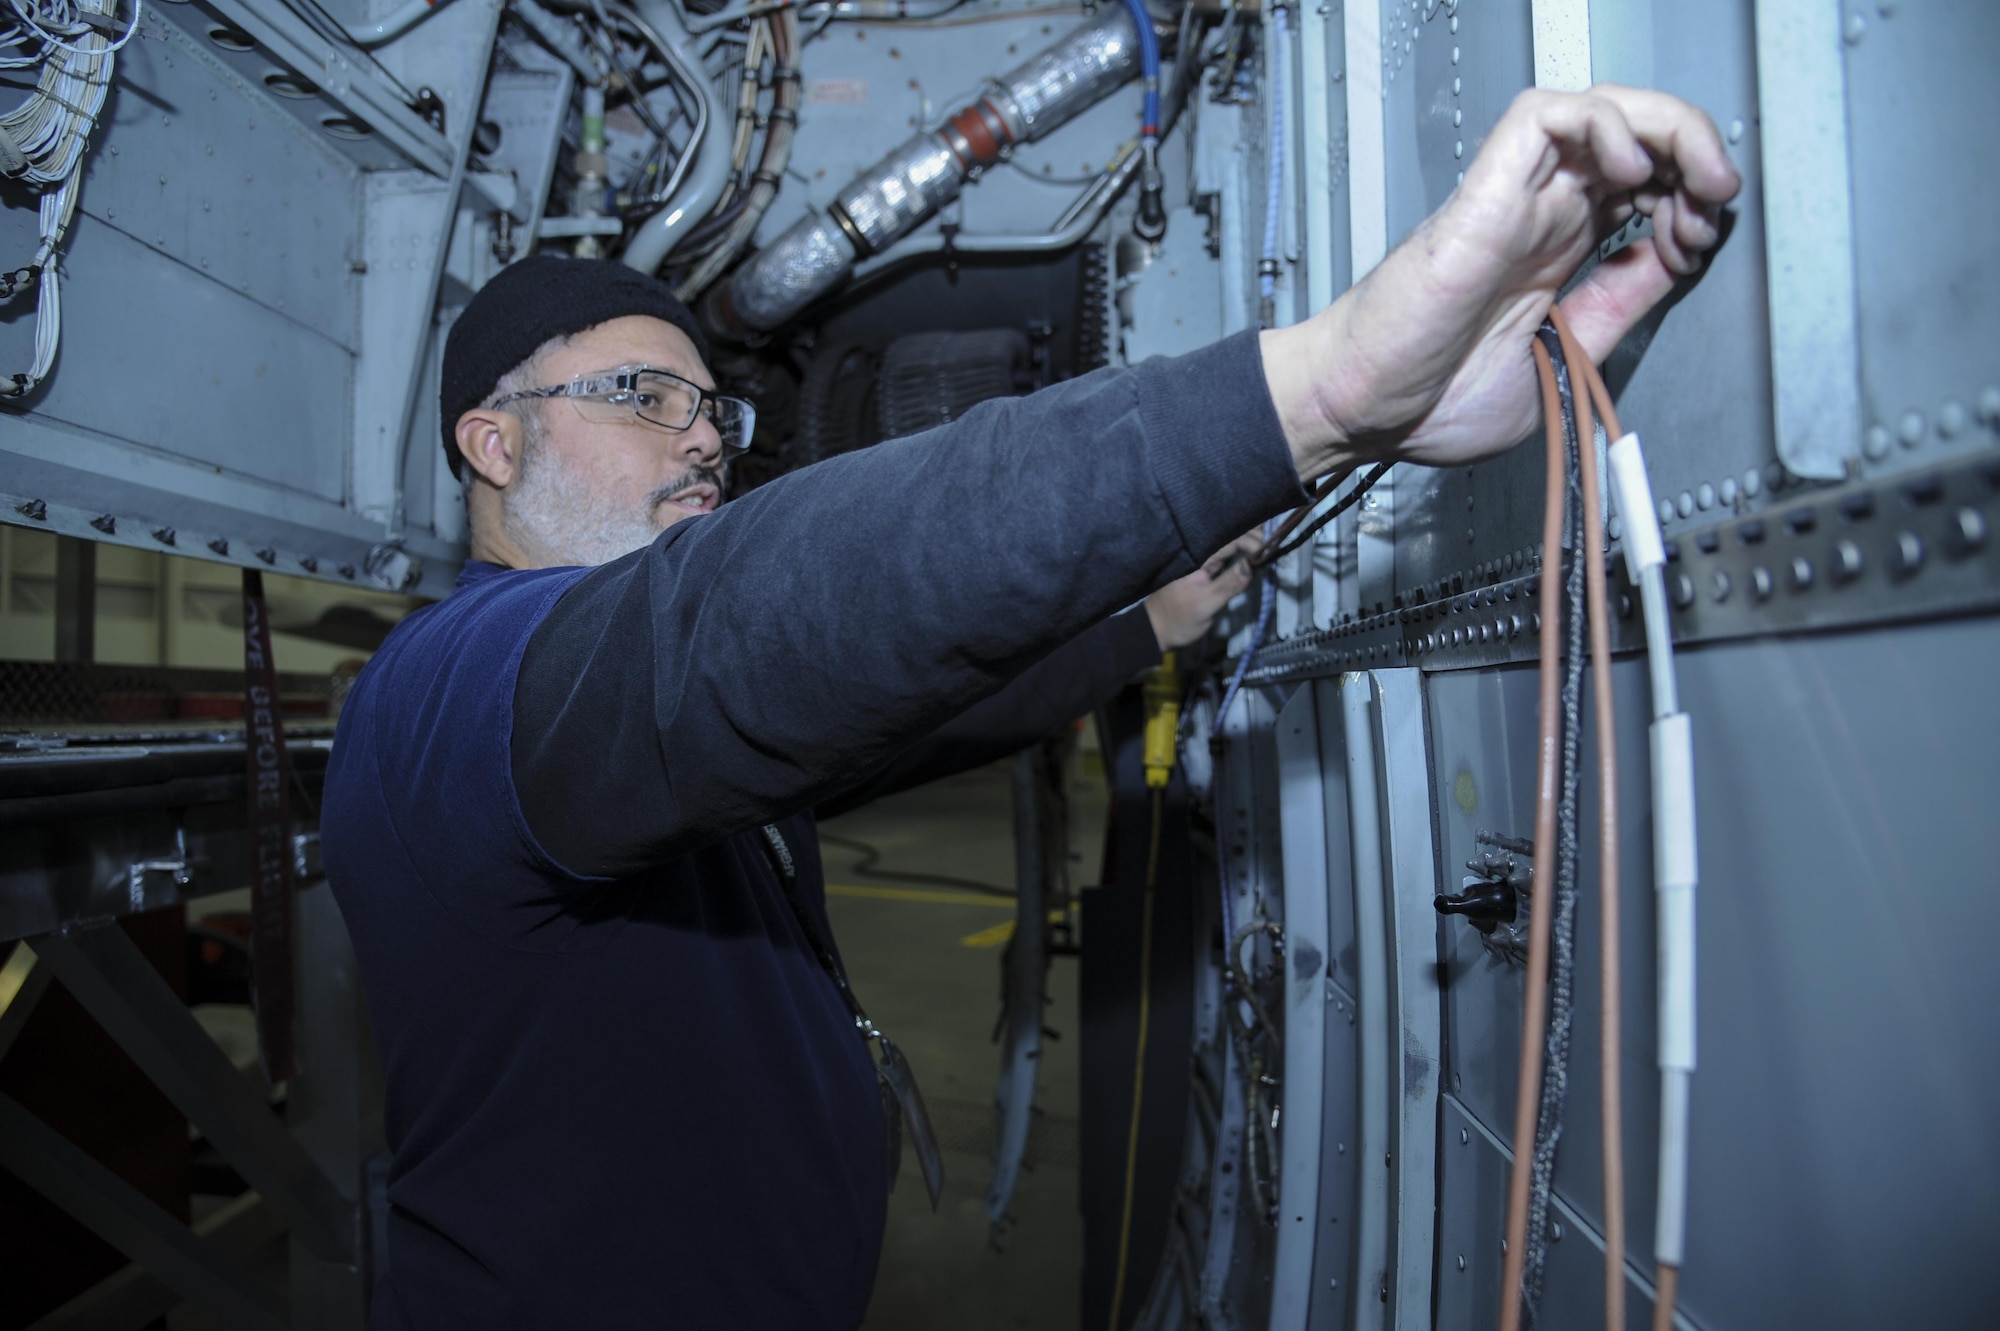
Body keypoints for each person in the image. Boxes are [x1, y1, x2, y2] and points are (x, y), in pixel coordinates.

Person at [321, 85, 1738, 1328]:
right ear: (492, 441)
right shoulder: (444, 698)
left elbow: (899, 723)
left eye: (714, 409)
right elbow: (745, 618)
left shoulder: (627, 739)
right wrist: (1323, 390)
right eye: (643, 396)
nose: (702, 436)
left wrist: (1145, 623)